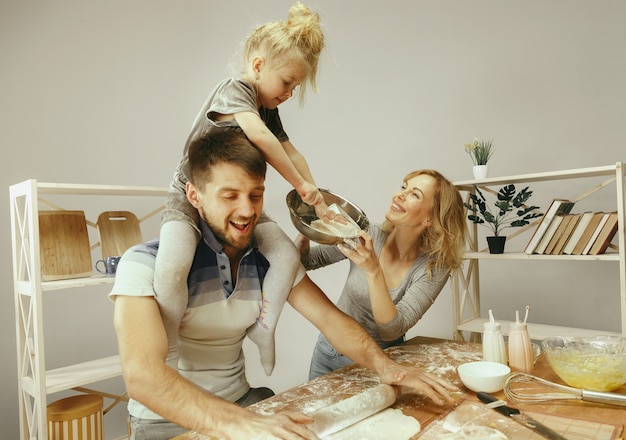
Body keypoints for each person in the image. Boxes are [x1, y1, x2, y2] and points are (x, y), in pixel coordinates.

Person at [111, 128, 458, 440]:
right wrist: (240, 423)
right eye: (229, 196)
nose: (247, 211)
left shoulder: (267, 261)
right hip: (166, 423)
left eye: (256, 195)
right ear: (194, 195)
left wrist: (388, 367)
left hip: (243, 403)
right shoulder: (143, 264)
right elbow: (143, 376)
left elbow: (332, 322)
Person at [154, 2, 337, 371]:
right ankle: (170, 345)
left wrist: (318, 198)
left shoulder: (270, 110)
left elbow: (292, 152)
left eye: (295, 87)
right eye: (286, 83)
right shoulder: (235, 90)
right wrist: (300, 185)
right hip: (192, 196)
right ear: (258, 67)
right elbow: (261, 139)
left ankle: (264, 328)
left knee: (286, 256)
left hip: (239, 202)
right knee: (172, 268)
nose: (288, 93)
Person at [297, 169, 467, 379]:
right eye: (404, 186)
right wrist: (305, 233)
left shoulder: (434, 267)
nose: (399, 195)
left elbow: (391, 331)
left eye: (415, 194)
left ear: (430, 219)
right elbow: (308, 262)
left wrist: (373, 270)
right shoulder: (369, 234)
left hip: (379, 364)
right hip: (329, 352)